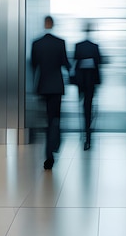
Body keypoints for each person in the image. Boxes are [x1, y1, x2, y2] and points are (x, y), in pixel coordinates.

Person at [31, 15, 70, 170]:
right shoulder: (60, 43)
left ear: (44, 24)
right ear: (53, 24)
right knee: (55, 117)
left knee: (47, 118)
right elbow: (65, 63)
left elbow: (34, 65)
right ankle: (55, 143)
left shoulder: (37, 44)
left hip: (43, 86)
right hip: (57, 86)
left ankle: (49, 154)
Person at [73, 22, 102, 151]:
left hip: (81, 82)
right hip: (91, 82)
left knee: (83, 107)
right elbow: (99, 62)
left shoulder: (78, 46)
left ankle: (85, 134)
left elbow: (74, 62)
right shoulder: (95, 47)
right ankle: (88, 135)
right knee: (89, 107)